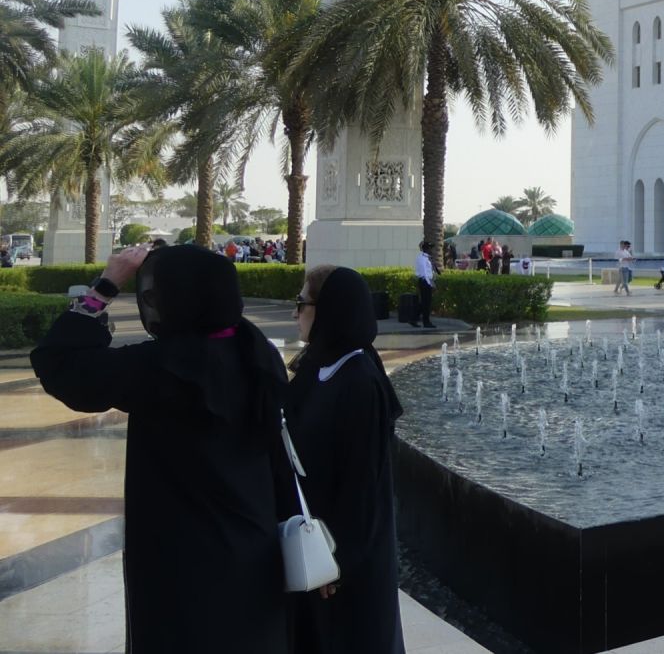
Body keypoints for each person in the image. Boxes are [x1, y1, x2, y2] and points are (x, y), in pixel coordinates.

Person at [31, 244, 290, 653]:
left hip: (182, 559)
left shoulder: (164, 366)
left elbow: (59, 365)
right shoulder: (256, 351)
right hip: (253, 544)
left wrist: (106, 285)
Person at [286, 266, 405, 653]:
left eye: (302, 302)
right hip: (314, 544)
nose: (296, 313)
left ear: (329, 309)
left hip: (343, 556)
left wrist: (340, 561)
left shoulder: (359, 380)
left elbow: (363, 483)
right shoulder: (321, 365)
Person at [412, 239, 436, 328]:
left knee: (424, 303)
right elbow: (425, 272)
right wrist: (430, 284)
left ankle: (413, 319)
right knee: (426, 303)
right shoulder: (422, 258)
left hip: (426, 281)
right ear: (426, 249)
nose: (432, 250)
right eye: (430, 248)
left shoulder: (426, 258)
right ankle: (426, 322)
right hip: (425, 282)